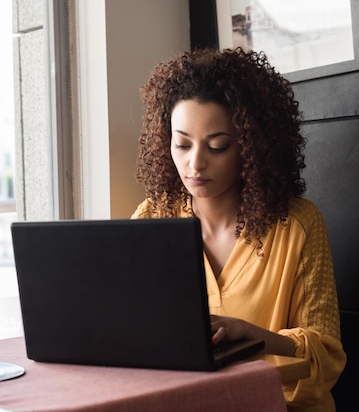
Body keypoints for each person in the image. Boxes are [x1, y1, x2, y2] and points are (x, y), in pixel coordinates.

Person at [131, 48, 346, 411]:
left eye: (217, 146)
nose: (194, 163)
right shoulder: (153, 219)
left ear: (251, 147)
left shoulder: (297, 224)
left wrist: (256, 337)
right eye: (181, 144)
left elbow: (324, 358)